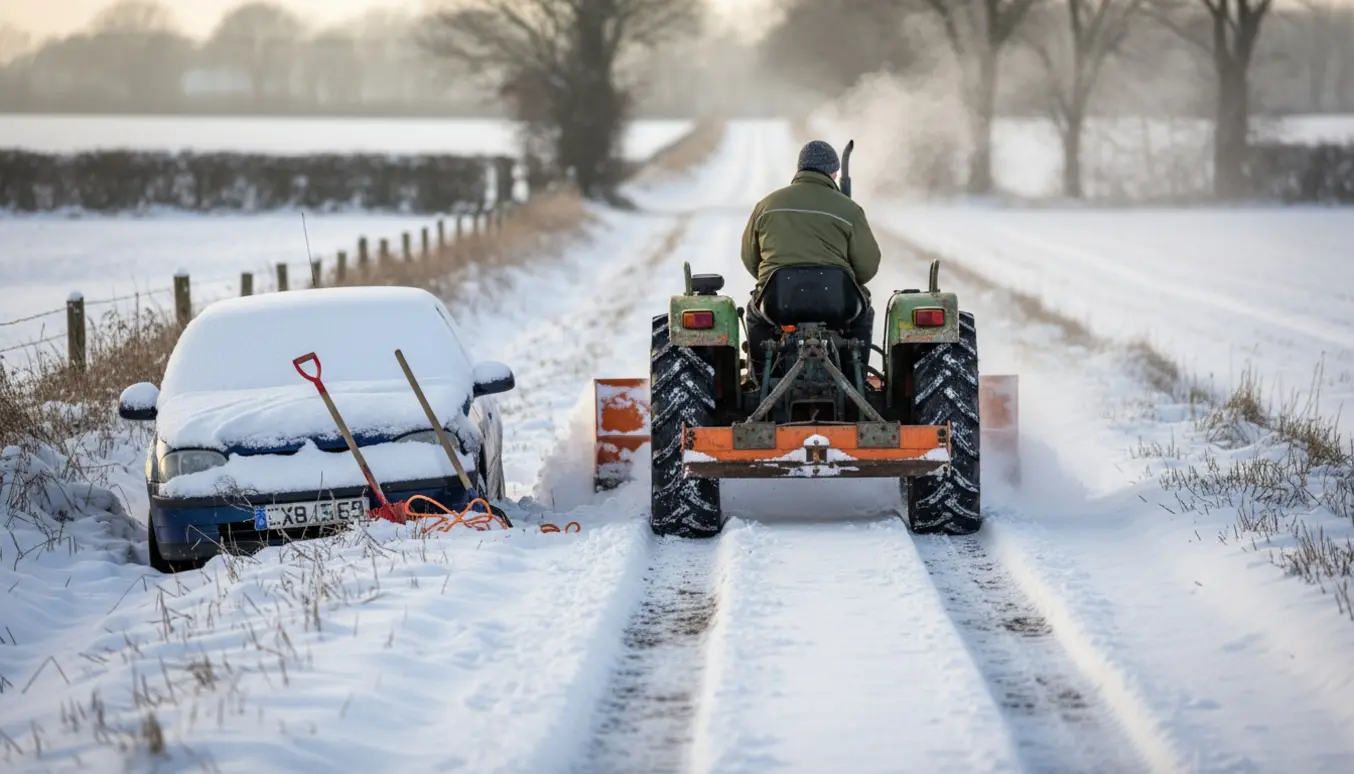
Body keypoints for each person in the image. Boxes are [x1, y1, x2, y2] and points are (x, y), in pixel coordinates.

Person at [740, 140, 882, 369]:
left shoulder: (766, 205)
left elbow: (750, 258)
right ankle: (855, 375)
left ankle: (759, 372)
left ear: (800, 168)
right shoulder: (849, 209)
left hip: (778, 303)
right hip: (837, 304)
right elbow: (867, 266)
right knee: (864, 314)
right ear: (834, 173)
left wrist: (770, 279)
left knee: (755, 313)